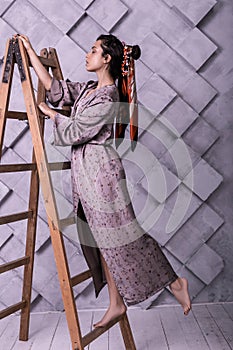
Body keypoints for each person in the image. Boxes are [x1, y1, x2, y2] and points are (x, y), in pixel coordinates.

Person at [17, 33, 191, 328]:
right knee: (104, 242)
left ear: (106, 59)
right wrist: (31, 53)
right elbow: (54, 88)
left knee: (126, 237)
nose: (88, 54)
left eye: (93, 50)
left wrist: (47, 112)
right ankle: (116, 303)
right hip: (85, 173)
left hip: (101, 175)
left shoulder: (109, 97)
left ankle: (175, 283)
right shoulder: (87, 90)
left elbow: (76, 132)